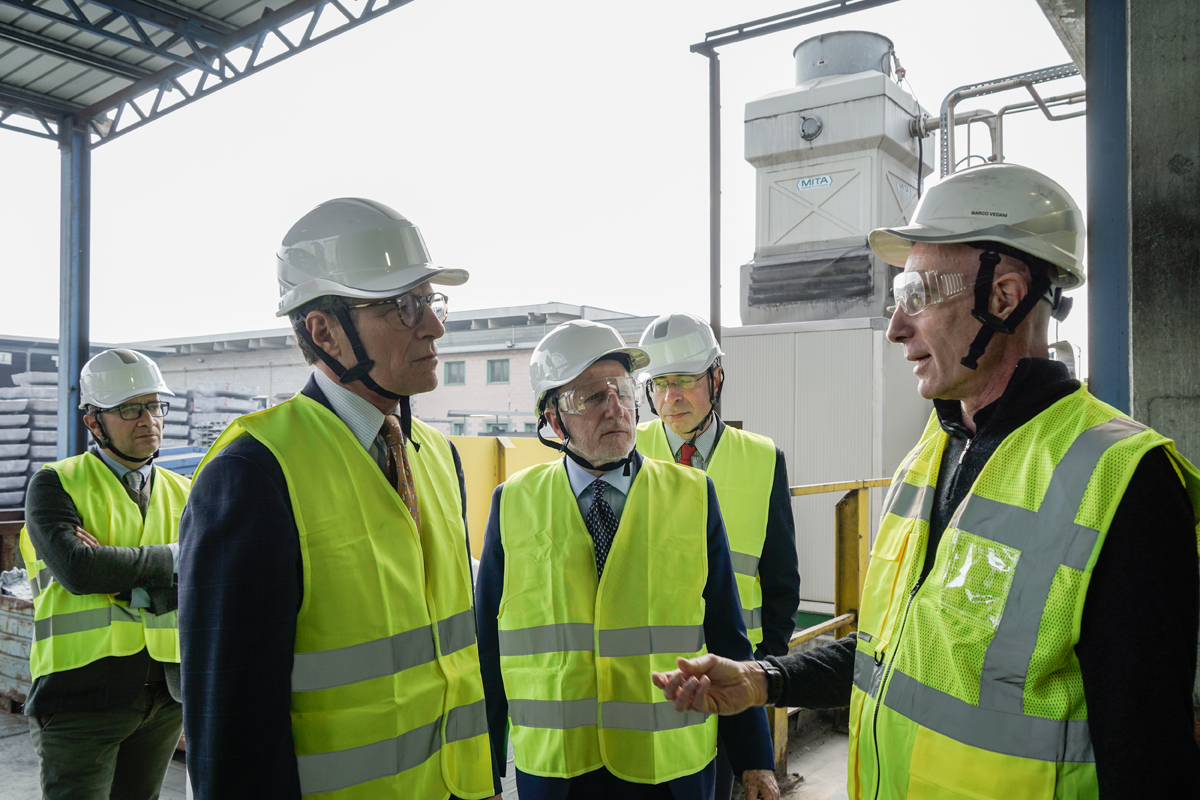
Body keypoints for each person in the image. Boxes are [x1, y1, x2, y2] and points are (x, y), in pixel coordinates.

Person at [652, 163, 1200, 798]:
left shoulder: (1125, 481)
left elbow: (1149, 759)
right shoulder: (934, 450)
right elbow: (893, 652)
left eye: (917, 293)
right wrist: (765, 679)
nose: (895, 327)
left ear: (1005, 297)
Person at [178, 198, 500, 800]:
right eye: (403, 306)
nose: (433, 327)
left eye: (431, 302)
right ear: (324, 331)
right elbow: (233, 734)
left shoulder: (437, 456)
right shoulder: (254, 474)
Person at [474, 319, 779, 800]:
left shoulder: (693, 494)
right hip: (559, 769)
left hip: (670, 767)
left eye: (622, 391)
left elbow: (727, 633)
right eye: (593, 397)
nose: (616, 408)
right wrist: (483, 772)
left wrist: (755, 760)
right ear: (554, 419)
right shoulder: (513, 502)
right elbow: (487, 653)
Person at [634, 312, 799, 800]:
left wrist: (762, 675)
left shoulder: (763, 459)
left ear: (716, 378)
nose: (671, 397)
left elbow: (782, 580)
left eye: (685, 380)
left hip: (731, 678)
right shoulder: (625, 451)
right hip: (649, 676)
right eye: (659, 384)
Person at [19, 348, 189, 800]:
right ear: (94, 422)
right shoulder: (56, 484)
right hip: (80, 695)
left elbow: (210, 577)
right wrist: (176, 557)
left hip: (166, 695)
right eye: (130, 409)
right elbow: (78, 569)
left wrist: (121, 579)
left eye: (155, 405)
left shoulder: (187, 492)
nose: (148, 420)